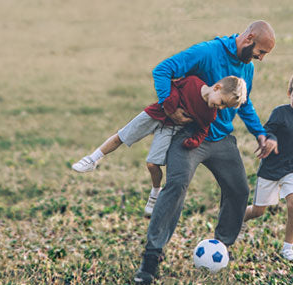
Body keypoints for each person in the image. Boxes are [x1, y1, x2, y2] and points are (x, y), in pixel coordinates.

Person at [133, 21, 278, 285]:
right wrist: (169, 107)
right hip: (190, 135)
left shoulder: (248, 68)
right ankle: (151, 259)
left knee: (239, 190)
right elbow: (163, 69)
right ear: (250, 37)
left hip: (221, 140)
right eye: (261, 51)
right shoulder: (208, 52)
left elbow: (244, 104)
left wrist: (259, 132)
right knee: (176, 185)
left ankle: (221, 246)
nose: (261, 58)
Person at [72, 75, 248, 215]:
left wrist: (193, 141)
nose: (222, 108)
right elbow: (171, 85)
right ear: (216, 88)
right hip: (156, 112)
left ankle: (155, 192)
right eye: (223, 102)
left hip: (171, 128)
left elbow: (203, 129)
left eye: (226, 107)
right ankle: (92, 160)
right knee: (121, 136)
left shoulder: (210, 114)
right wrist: (171, 105)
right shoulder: (193, 82)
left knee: (152, 164)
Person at [243, 70, 293, 261]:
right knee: (258, 211)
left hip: (292, 168)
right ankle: (236, 220)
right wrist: (270, 140)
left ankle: (288, 248)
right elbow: (268, 130)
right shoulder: (279, 113)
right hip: (270, 169)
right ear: (289, 93)